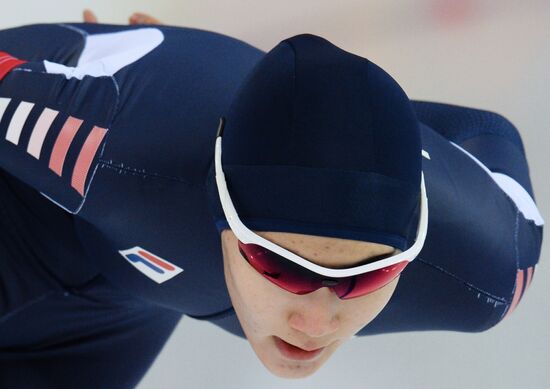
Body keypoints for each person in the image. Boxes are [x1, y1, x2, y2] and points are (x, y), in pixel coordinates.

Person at [0, 9, 543, 387]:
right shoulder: (106, 146)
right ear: (222, 212)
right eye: (278, 264)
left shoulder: (487, 272)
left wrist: (352, 117)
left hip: (123, 303)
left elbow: (489, 133)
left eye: (368, 275)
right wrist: (148, 73)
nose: (316, 320)